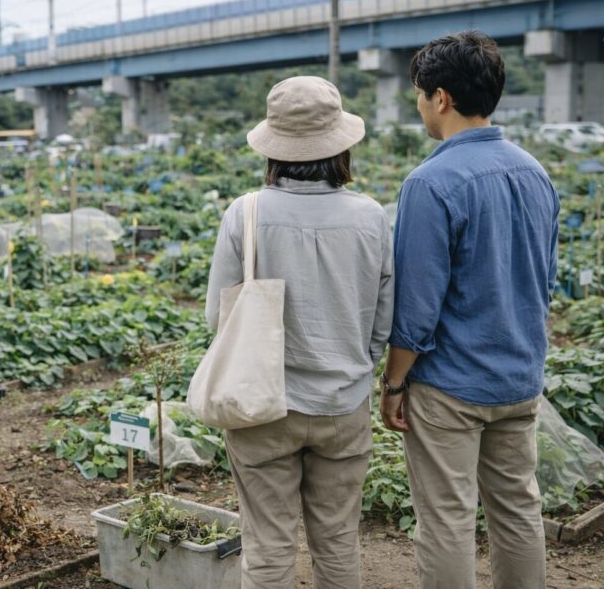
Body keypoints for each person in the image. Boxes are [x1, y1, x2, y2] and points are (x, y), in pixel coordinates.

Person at [379, 31, 560, 589]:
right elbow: (544, 279)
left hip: (450, 388)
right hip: (519, 378)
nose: (419, 104)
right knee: (518, 510)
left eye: (418, 93)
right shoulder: (535, 171)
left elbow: (417, 306)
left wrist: (393, 383)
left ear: (440, 98)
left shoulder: (430, 183)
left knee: (446, 520)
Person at [206, 76, 393, 589]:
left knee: (267, 548)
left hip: (262, 405)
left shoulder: (245, 213)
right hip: (343, 405)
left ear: (274, 147)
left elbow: (217, 319)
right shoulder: (371, 217)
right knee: (337, 543)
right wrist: (357, 364)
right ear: (340, 146)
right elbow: (384, 320)